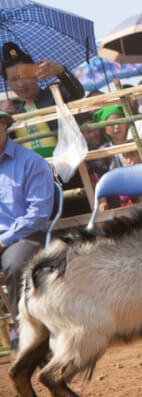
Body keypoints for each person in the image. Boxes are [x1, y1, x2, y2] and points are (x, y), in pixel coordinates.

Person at [0, 109, 54, 345]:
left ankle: (28, 337)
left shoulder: (31, 162)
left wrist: (4, 239)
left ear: (3, 124)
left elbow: (39, 214)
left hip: (25, 236)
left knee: (16, 264)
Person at [0, 42, 85, 158]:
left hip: (64, 164)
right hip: (27, 168)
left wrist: (61, 71)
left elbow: (78, 92)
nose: (21, 84)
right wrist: (2, 118)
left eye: (24, 76)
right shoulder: (12, 111)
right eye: (14, 80)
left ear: (35, 72)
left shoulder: (54, 94)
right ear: (8, 83)